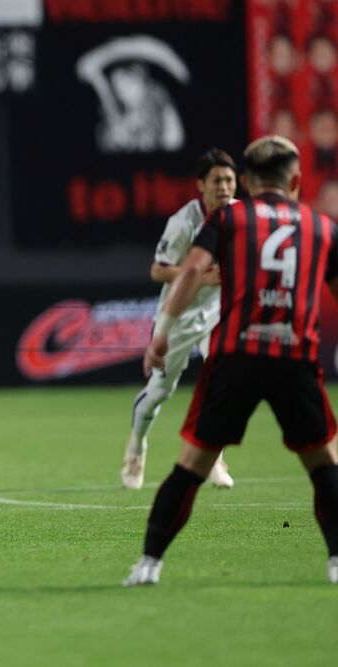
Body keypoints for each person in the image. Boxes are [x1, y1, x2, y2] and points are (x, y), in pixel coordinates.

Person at [124, 135, 338, 586]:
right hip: (295, 356)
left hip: (236, 356)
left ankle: (148, 565)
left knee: (189, 467)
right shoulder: (321, 226)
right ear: (296, 181)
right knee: (324, 466)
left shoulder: (229, 218)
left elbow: (189, 272)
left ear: (246, 182)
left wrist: (161, 333)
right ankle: (337, 561)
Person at [122, 149, 238, 490]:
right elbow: (158, 270)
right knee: (159, 392)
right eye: (216, 180)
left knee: (224, 385)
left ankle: (214, 458)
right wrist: (198, 276)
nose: (224, 187)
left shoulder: (240, 215)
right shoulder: (185, 222)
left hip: (217, 314)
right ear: (201, 185)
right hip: (179, 315)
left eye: (229, 180)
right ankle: (136, 449)